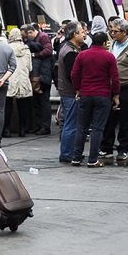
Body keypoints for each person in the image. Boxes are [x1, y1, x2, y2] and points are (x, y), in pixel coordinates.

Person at [97, 18, 128, 167]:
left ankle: (123, 148)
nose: (112, 34)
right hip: (110, 87)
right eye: (111, 30)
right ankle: (107, 147)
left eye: (115, 31)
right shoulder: (111, 44)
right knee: (108, 118)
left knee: (126, 120)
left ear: (125, 32)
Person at [70, 32, 120, 167]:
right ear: (104, 43)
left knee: (81, 127)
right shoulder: (109, 57)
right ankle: (93, 159)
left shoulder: (82, 55)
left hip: (85, 94)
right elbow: (115, 78)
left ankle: (76, 157)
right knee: (97, 128)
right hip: (103, 95)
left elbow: (74, 74)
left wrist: (78, 89)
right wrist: (116, 95)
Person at [56, 21, 85, 163]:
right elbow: (72, 75)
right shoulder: (69, 52)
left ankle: (69, 151)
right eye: (82, 32)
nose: (84, 34)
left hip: (67, 91)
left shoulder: (69, 48)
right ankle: (67, 153)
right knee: (71, 123)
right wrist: (78, 88)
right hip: (71, 92)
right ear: (74, 34)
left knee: (70, 122)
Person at [23, 23, 53, 135]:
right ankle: (39, 125)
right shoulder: (37, 39)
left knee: (44, 101)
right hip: (38, 74)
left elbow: (48, 51)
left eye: (28, 34)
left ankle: (45, 127)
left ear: (32, 32)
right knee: (37, 102)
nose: (28, 37)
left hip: (43, 75)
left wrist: (35, 55)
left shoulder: (43, 37)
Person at [4, 28, 33, 138]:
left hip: (10, 79)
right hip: (23, 79)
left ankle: (6, 129)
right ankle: (22, 129)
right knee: (23, 107)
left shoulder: (7, 49)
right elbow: (30, 67)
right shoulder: (26, 49)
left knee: (8, 106)